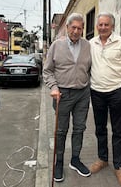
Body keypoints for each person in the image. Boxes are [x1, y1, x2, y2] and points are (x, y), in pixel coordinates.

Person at [88, 12, 121, 187]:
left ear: (112, 26)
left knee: (118, 130)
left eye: (106, 24)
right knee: (100, 128)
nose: (102, 27)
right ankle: (102, 159)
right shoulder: (91, 43)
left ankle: (118, 166)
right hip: (97, 92)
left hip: (117, 92)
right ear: (96, 26)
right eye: (100, 24)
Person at [43, 13, 92, 182]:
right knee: (61, 131)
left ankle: (75, 160)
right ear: (67, 27)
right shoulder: (57, 45)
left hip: (83, 94)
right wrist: (54, 88)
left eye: (80, 28)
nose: (76, 31)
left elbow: (92, 68)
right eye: (73, 27)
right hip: (62, 94)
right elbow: (47, 70)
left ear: (83, 29)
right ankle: (59, 162)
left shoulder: (87, 46)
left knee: (79, 128)